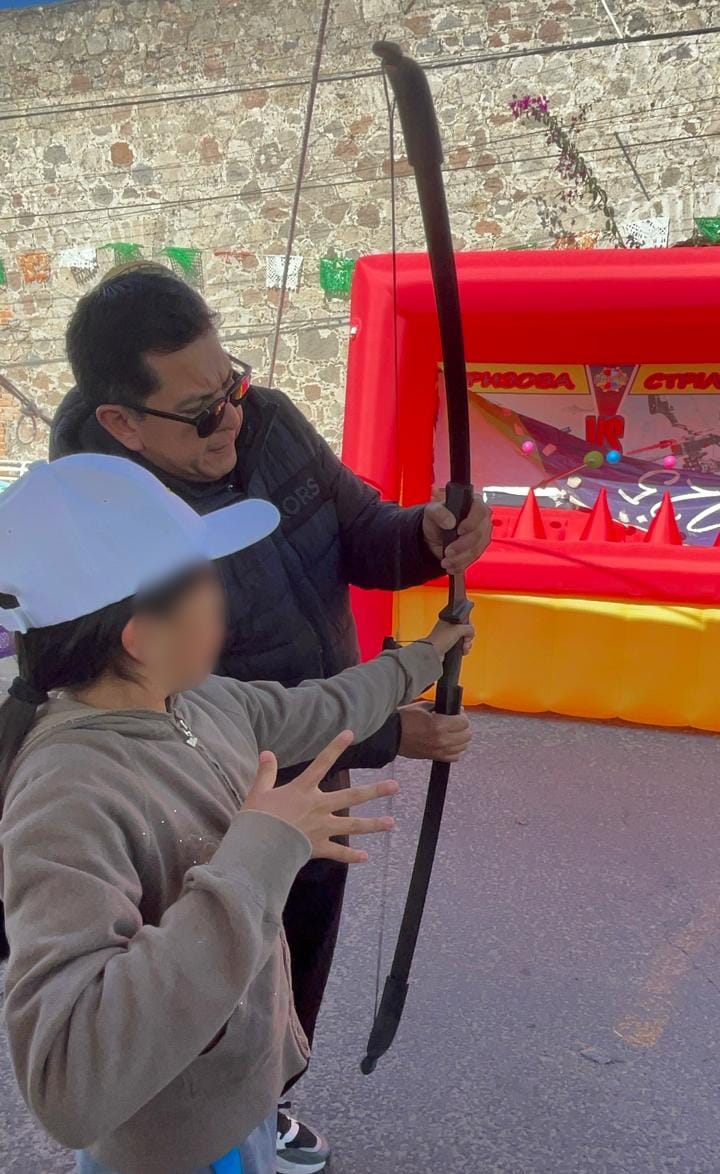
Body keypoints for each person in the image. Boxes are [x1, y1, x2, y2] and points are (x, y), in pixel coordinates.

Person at [50, 263, 492, 1169]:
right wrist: (387, 729)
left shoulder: (268, 422)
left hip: (315, 760)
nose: (231, 420)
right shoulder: (95, 513)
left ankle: (267, 1104)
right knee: (219, 963)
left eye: (233, 386)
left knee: (298, 954)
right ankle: (210, 1127)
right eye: (200, 411)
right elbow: (178, 707)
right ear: (122, 422)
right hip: (211, 797)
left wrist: (426, 536)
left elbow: (362, 531)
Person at [0, 453, 473, 1174]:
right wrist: (261, 854)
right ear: (141, 635)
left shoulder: (201, 700)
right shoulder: (68, 792)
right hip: (175, 1147)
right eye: (207, 580)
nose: (224, 597)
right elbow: (69, 1082)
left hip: (239, 1096)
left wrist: (424, 657)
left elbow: (324, 707)